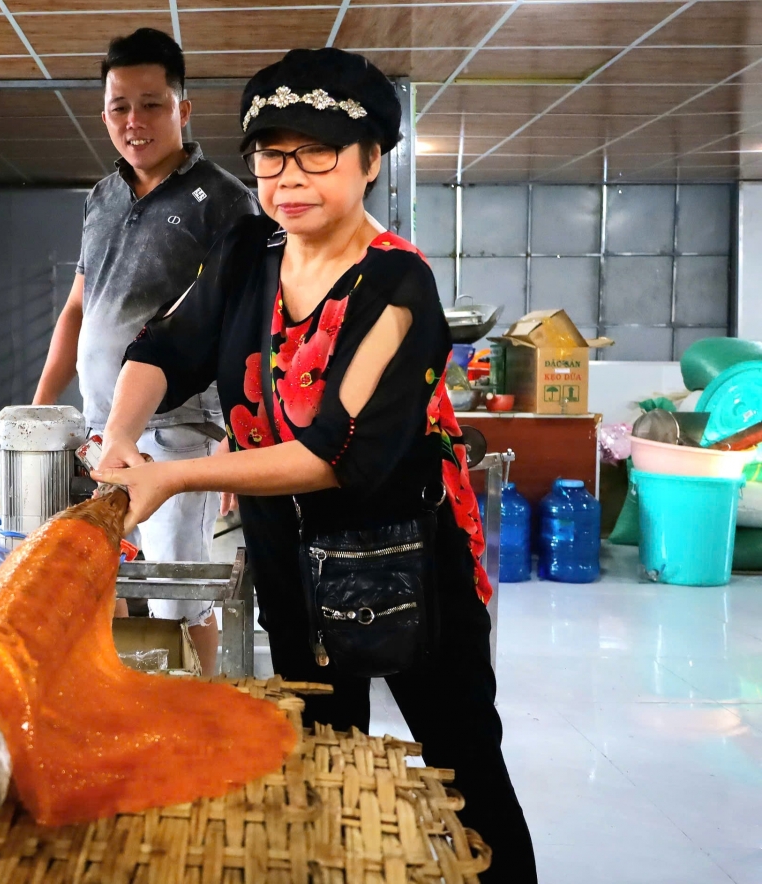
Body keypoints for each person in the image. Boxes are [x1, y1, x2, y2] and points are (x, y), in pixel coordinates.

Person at [90, 49, 537, 883]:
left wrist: (173, 476)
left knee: (463, 762)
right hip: (290, 560)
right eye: (271, 155)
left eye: (319, 153)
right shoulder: (248, 252)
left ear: (371, 161)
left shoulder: (397, 285)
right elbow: (165, 346)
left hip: (405, 560)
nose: (289, 177)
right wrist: (121, 434)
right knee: (325, 761)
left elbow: (337, 455)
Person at [33, 28, 259, 673]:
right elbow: (78, 309)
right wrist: (41, 410)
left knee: (176, 593)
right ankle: (121, 697)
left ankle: (196, 705)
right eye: (119, 107)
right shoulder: (102, 198)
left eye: (152, 104)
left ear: (182, 110)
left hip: (178, 431)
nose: (135, 121)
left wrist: (236, 435)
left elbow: (246, 326)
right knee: (95, 577)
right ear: (104, 115)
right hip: (99, 431)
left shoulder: (226, 200)